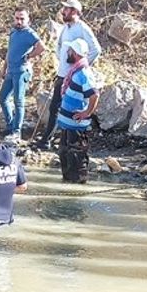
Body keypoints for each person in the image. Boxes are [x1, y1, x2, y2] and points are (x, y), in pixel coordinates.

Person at [36, 0, 101, 148]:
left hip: (73, 77)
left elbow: (96, 49)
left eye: (66, 9)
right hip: (62, 74)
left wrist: (80, 66)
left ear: (74, 11)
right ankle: (48, 140)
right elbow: (59, 46)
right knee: (55, 107)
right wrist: (63, 62)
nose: (63, 11)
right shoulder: (66, 27)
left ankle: (59, 141)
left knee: (67, 107)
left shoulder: (82, 28)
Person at [56, 38, 99, 183]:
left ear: (74, 53)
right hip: (68, 125)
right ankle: (67, 185)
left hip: (77, 126)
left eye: (69, 51)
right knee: (65, 155)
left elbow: (94, 95)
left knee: (77, 159)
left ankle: (77, 188)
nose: (67, 53)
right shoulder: (76, 71)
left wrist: (87, 113)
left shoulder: (84, 73)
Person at [0, 7, 45, 140]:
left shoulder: (30, 33)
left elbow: (41, 47)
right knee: (2, 98)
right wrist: (4, 68)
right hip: (11, 70)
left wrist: (29, 56)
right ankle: (10, 125)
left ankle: (16, 131)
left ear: (28, 20)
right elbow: (9, 51)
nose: (19, 21)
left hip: (21, 71)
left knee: (18, 101)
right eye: (17, 18)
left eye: (22, 19)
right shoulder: (13, 32)